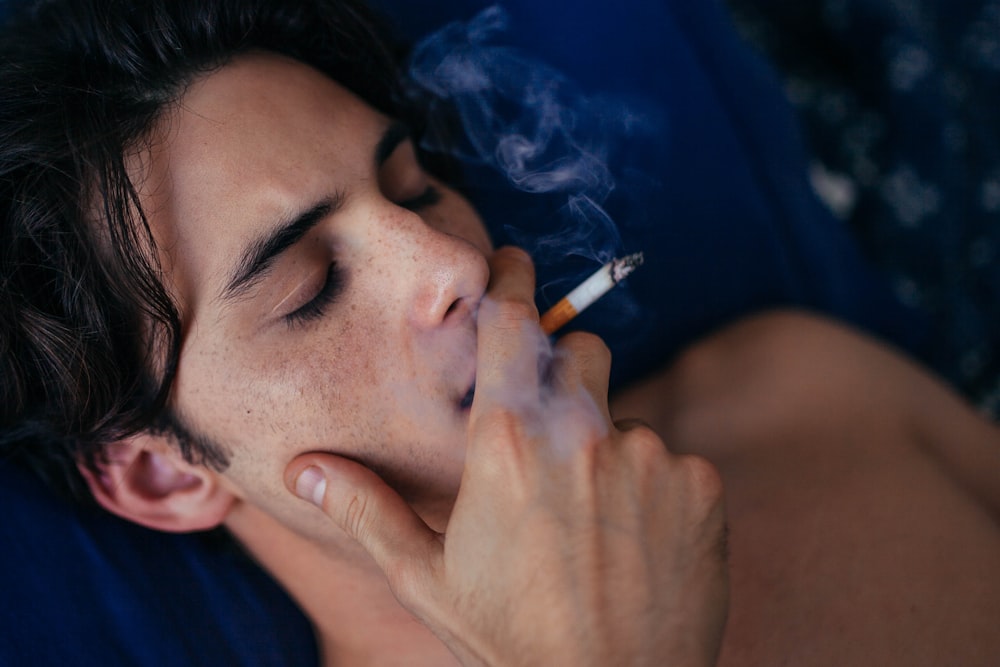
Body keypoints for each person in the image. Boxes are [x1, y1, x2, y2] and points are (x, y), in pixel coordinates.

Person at [0, 0, 997, 665]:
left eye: (414, 188)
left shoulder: (800, 391)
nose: (455, 263)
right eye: (310, 287)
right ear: (163, 475)